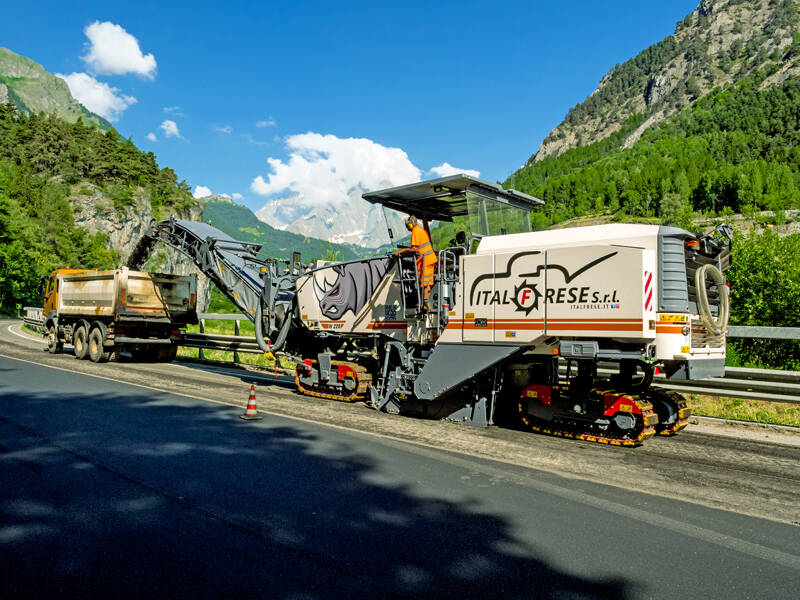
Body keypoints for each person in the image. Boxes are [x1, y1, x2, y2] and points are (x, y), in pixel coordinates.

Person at [395, 215, 437, 299]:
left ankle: (424, 305)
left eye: (407, 226)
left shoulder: (415, 231)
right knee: (427, 283)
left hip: (425, 261)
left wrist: (401, 251)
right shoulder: (420, 230)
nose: (407, 228)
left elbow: (414, 249)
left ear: (410, 225)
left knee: (424, 284)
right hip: (429, 260)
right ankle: (425, 303)